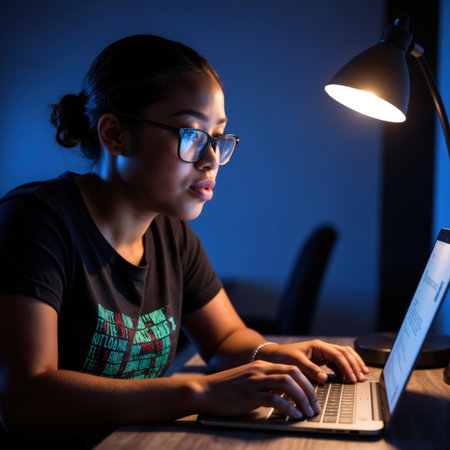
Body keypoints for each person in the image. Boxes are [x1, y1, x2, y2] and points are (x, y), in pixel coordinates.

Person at [0, 34, 369, 443]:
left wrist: (272, 355)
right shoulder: (36, 221)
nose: (212, 159)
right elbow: (25, 400)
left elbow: (226, 337)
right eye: (192, 134)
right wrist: (201, 391)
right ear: (114, 134)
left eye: (219, 136)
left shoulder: (169, 232)